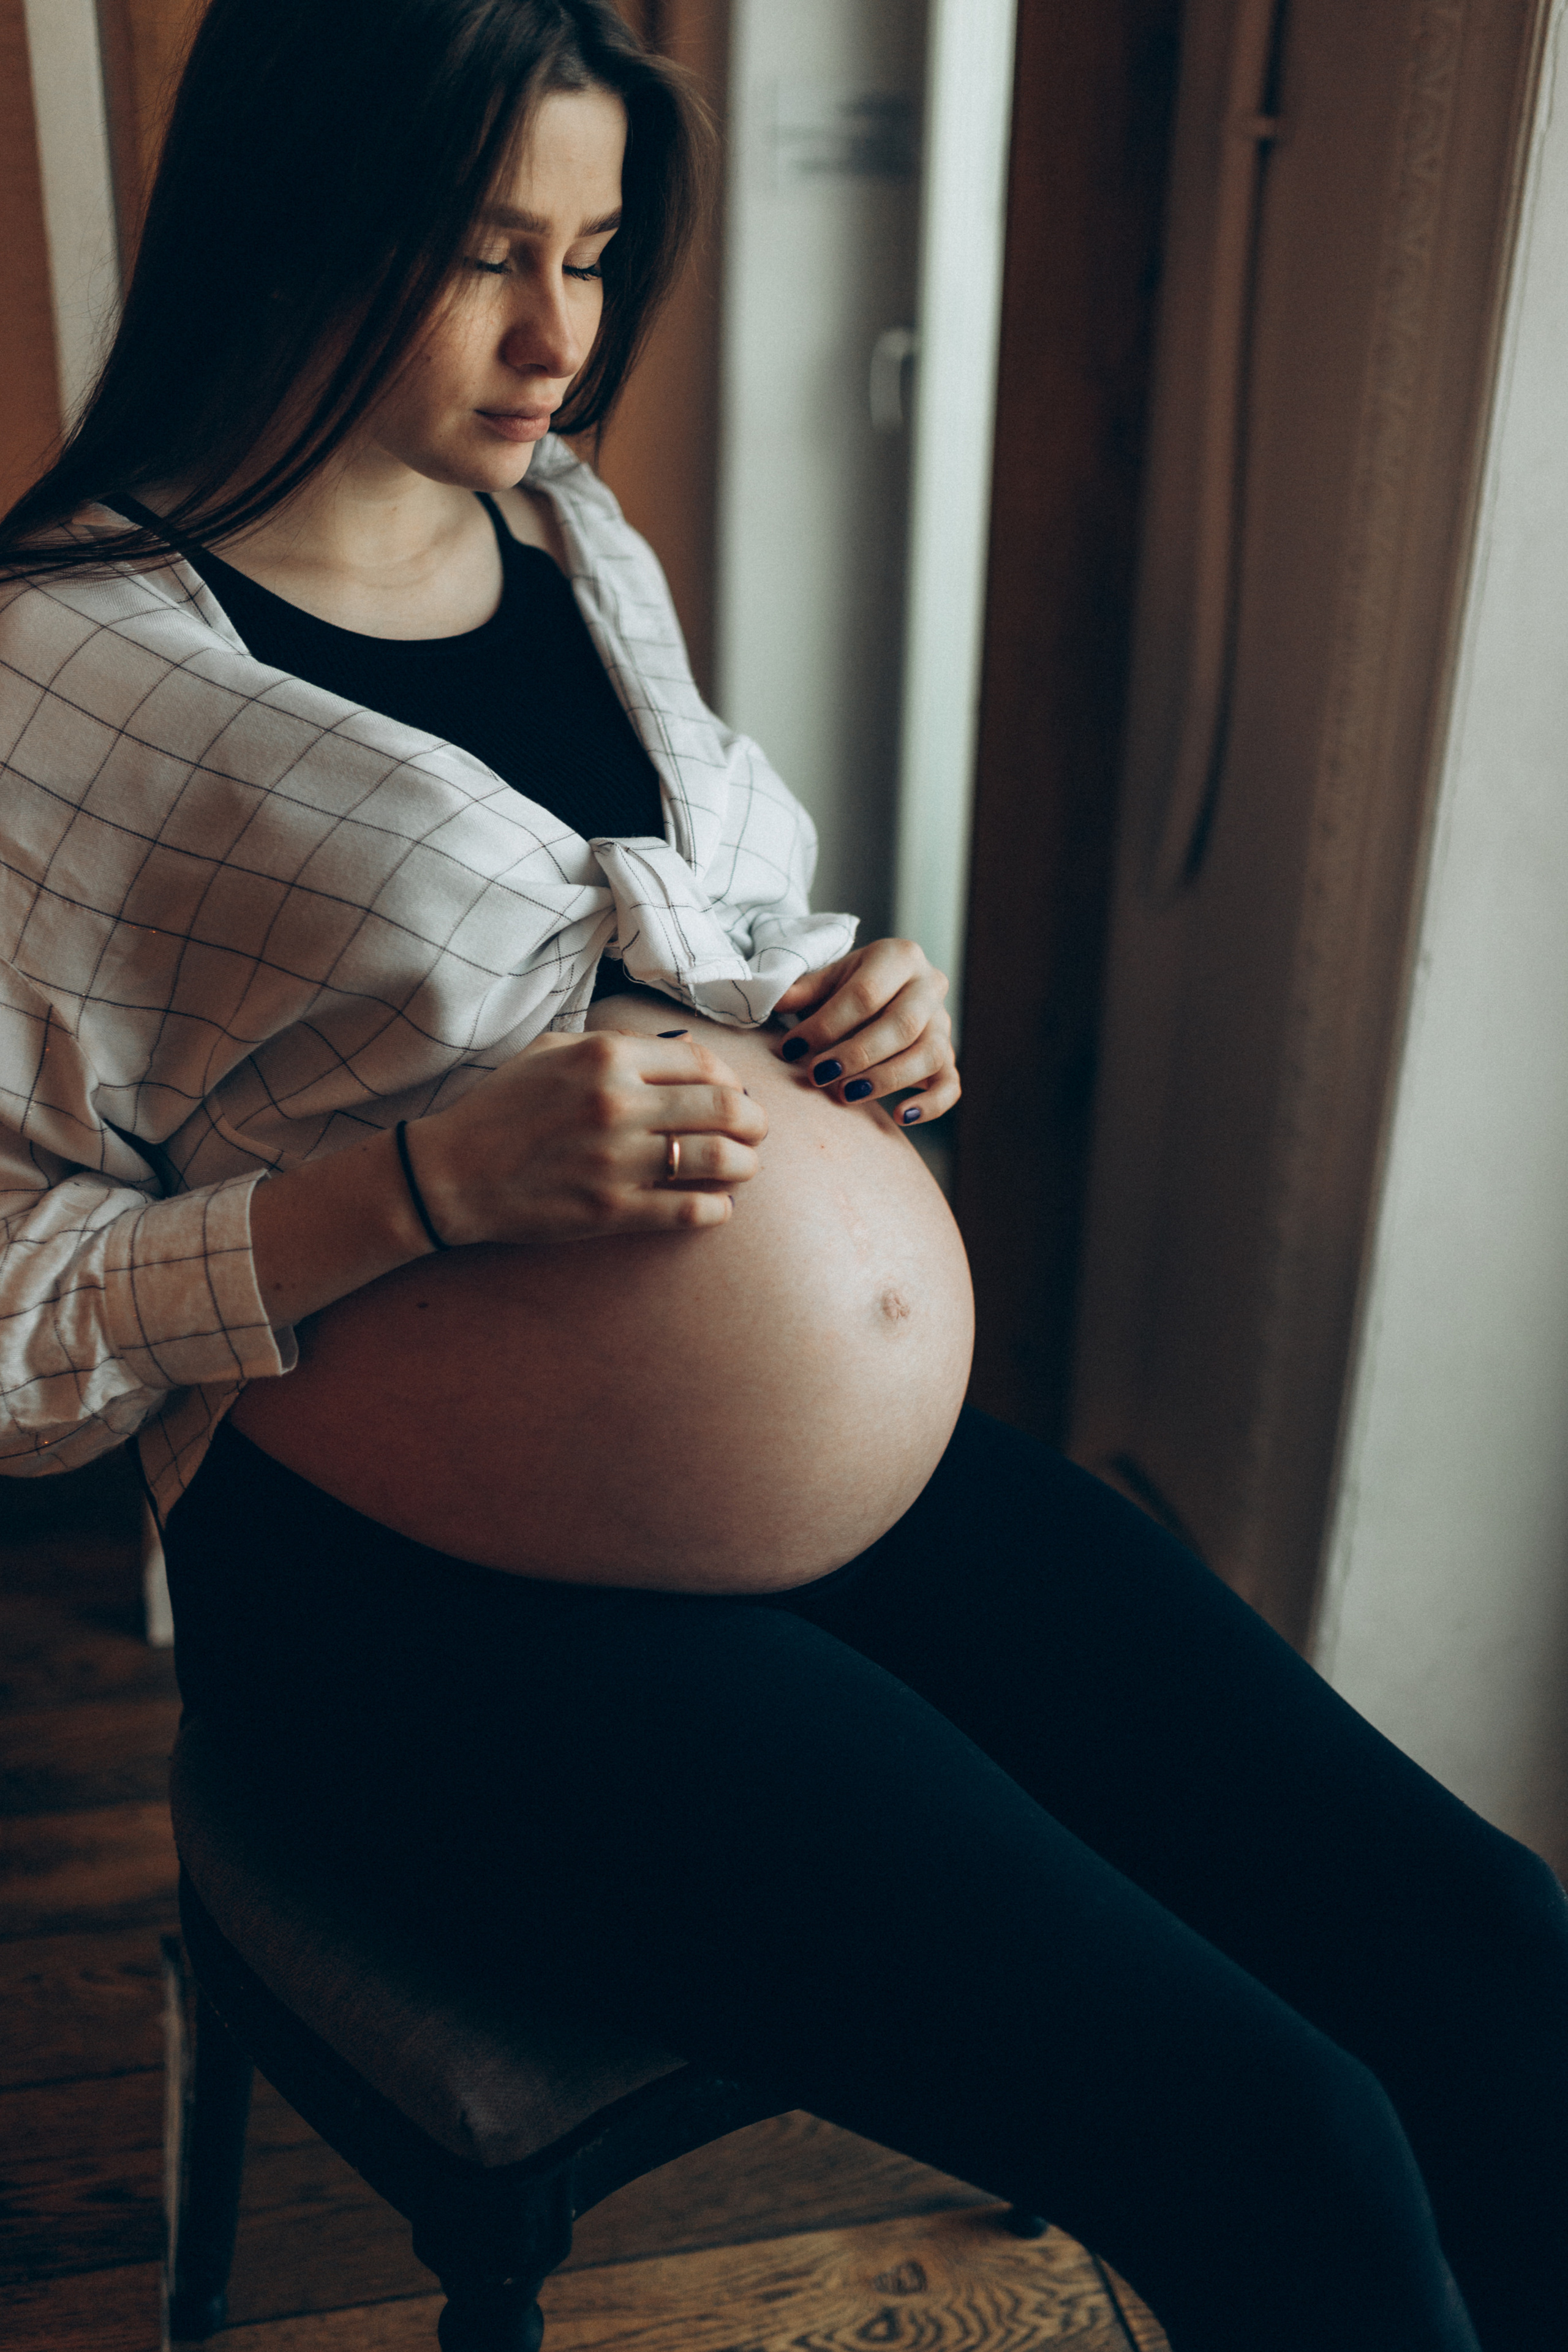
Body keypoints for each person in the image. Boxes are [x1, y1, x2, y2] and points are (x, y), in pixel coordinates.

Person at [1, 5, 1563, 2345]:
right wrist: (414, 1193)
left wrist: (856, 994)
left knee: (1486, 1946)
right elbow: (16, 1310)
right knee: (1284, 2134)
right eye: (485, 254)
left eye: (596, 253)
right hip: (419, 1615)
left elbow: (662, 926)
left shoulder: (564, 531)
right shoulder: (58, 675)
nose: (562, 337)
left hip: (853, 1501)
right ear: (297, 221)